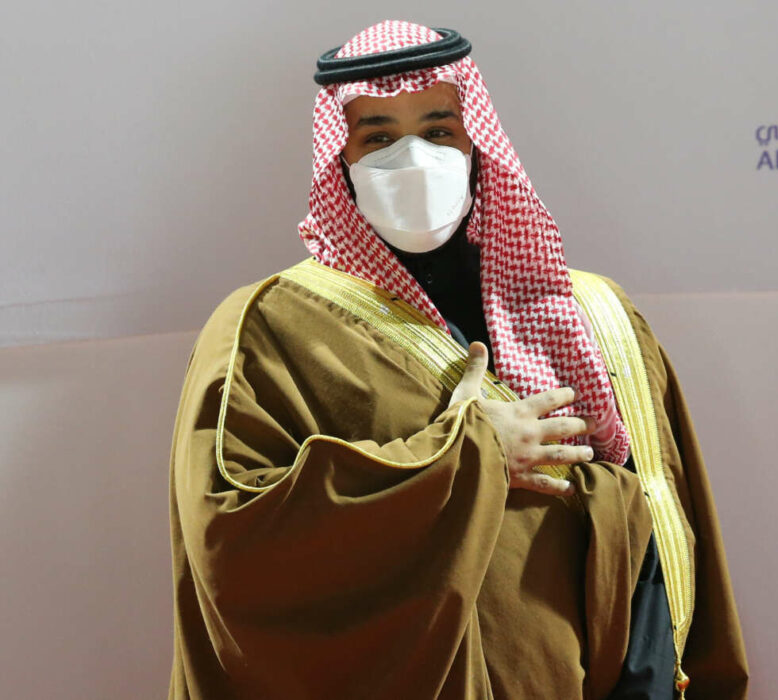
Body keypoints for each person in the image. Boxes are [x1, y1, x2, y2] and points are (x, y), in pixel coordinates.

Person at [167, 20, 748, 700]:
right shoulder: (270, 327)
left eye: (438, 131)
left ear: (476, 144)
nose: (413, 158)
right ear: (340, 159)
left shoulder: (594, 314)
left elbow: (656, 521)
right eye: (378, 137)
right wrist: (466, 457)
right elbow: (235, 544)